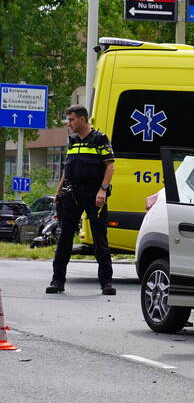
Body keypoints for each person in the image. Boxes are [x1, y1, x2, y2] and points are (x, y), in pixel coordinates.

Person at [47, 105, 116, 295]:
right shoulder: (72, 141)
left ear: (83, 119)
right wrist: (58, 192)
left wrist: (102, 190)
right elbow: (67, 170)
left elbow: (110, 166)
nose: (68, 123)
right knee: (65, 238)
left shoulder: (100, 139)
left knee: (100, 238)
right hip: (72, 193)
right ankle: (57, 281)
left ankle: (106, 282)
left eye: (71, 120)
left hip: (94, 194)